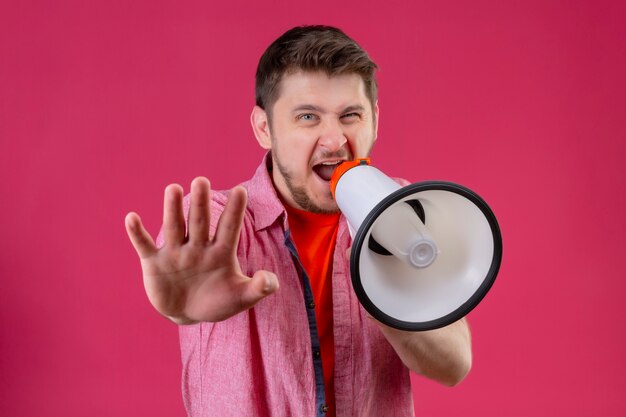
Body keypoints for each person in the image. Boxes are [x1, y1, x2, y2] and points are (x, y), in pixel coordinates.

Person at [125, 25, 471, 417]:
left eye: (350, 115)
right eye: (308, 117)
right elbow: (188, 267)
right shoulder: (221, 222)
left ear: (374, 119)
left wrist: (386, 283)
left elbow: (453, 364)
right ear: (264, 128)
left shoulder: (407, 214)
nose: (334, 140)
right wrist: (181, 309)